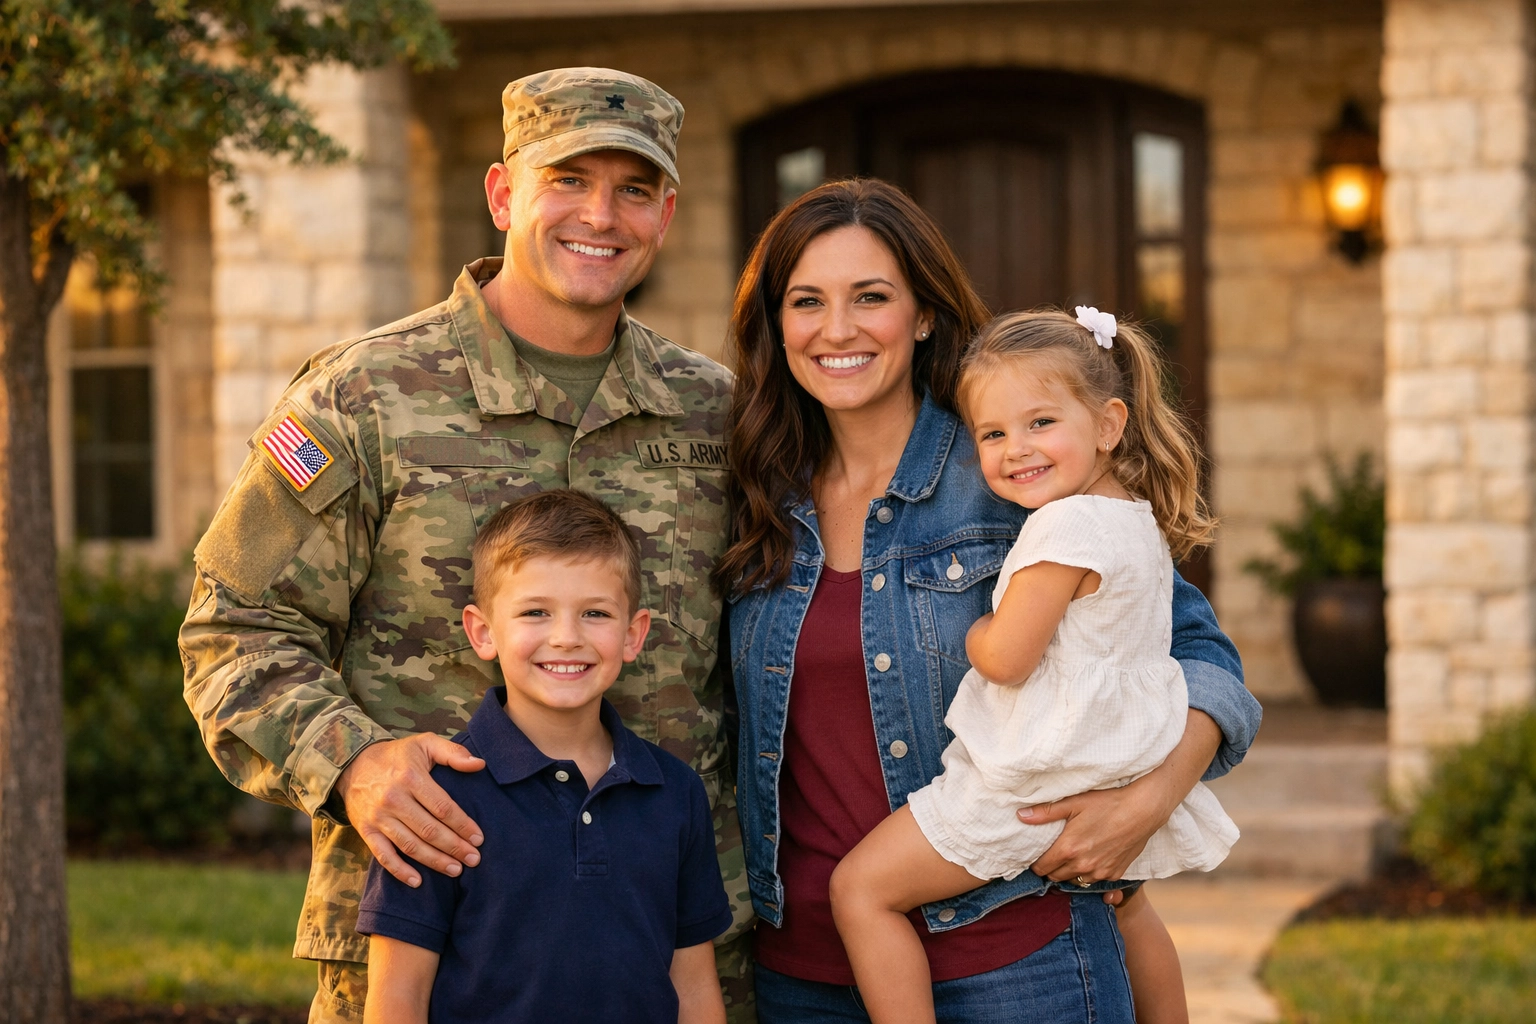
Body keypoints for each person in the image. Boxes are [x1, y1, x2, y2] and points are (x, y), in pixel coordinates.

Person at [179, 67, 755, 1023]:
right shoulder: (362, 399)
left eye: (634, 188)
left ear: (666, 215)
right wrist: (355, 762)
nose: (600, 215)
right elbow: (232, 630)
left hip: (671, 958)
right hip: (429, 957)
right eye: (567, 179)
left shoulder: (716, 414)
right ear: (503, 194)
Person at [720, 179, 1262, 1024]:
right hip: (804, 973)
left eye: (872, 298)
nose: (838, 329)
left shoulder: (1014, 473)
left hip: (1018, 955)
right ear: (776, 323)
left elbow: (1205, 662)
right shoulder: (755, 491)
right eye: (807, 301)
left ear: (925, 313)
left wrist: (1147, 805)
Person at [829, 307, 1241, 1024]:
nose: (1016, 449)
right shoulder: (1132, 516)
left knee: (861, 890)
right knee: (1129, 907)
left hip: (1040, 778)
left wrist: (980, 626)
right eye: (992, 434)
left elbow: (1008, 658)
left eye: (1039, 423)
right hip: (1113, 760)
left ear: (1109, 425)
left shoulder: (1064, 527)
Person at [359, 490, 732, 1024]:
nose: (566, 638)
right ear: (483, 632)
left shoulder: (675, 791)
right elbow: (398, 997)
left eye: (595, 613)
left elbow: (694, 990)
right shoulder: (434, 797)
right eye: (535, 611)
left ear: (634, 634)